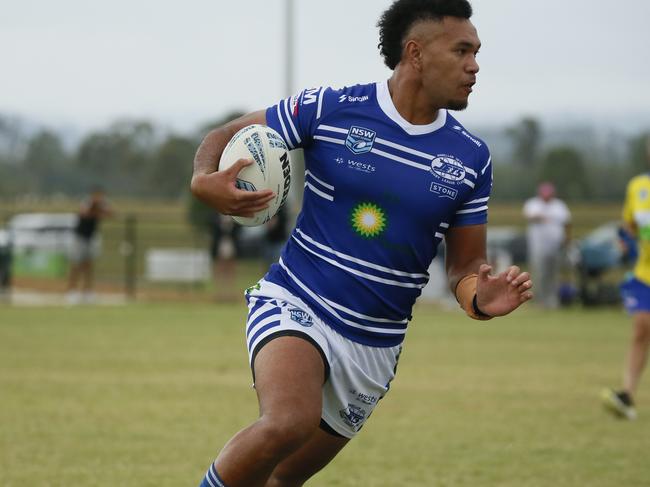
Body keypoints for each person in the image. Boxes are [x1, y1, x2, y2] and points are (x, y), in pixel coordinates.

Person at [190, 1, 533, 485]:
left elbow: (465, 266)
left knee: (283, 477)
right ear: (415, 53)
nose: (474, 65)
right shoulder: (331, 107)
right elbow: (229, 133)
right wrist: (203, 179)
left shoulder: (471, 158)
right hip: (297, 300)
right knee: (288, 421)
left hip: (375, 346)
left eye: (476, 52)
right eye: (462, 51)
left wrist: (479, 297)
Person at [602, 135, 650, 420]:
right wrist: (626, 240)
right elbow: (630, 225)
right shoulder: (638, 187)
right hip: (645, 272)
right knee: (642, 327)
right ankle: (627, 395)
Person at [522, 182, 571, 308]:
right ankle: (540, 300)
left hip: (556, 246)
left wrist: (567, 239)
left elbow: (567, 223)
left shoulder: (559, 205)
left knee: (553, 274)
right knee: (541, 274)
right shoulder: (533, 204)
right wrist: (541, 217)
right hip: (539, 246)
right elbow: (530, 216)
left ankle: (553, 300)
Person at [66, 187, 113, 304]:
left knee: (88, 265)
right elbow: (84, 213)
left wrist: (101, 210)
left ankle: (87, 292)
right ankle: (71, 292)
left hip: (91, 238)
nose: (99, 198)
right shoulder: (87, 202)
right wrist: (95, 209)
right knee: (76, 265)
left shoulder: (102, 204)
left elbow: (110, 214)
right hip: (80, 237)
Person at [209, 211, 242, 302]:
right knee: (219, 268)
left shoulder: (235, 216)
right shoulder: (215, 214)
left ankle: (230, 293)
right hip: (220, 243)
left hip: (231, 243)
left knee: (231, 269)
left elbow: (239, 227)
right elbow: (212, 226)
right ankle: (219, 293)